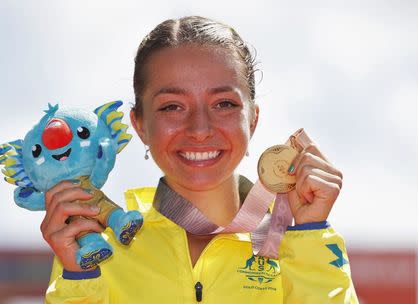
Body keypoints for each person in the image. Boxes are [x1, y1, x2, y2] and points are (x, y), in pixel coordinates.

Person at [43, 16, 359, 303]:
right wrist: (78, 278)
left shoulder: (294, 242)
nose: (199, 129)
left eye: (223, 104)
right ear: (140, 125)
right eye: (172, 107)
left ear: (252, 120)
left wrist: (311, 232)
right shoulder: (99, 244)